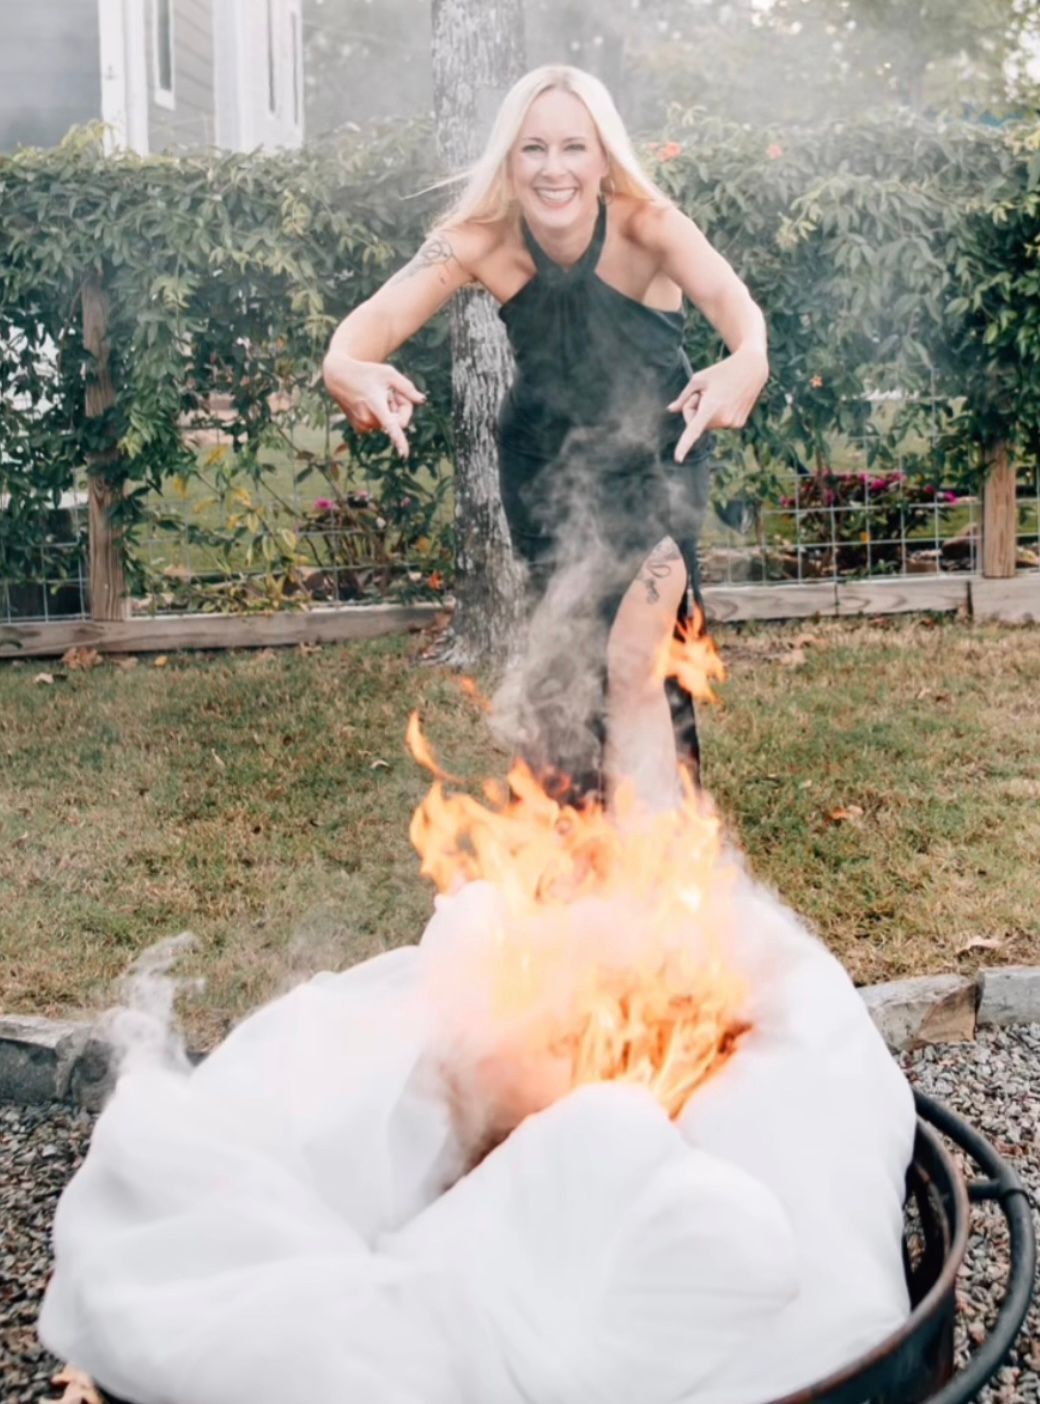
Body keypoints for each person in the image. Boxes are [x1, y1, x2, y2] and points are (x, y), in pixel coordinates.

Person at [323, 65, 768, 810]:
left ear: (603, 159)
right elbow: (380, 316)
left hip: (655, 466)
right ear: (510, 160)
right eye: (533, 148)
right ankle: (581, 838)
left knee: (637, 657)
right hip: (542, 470)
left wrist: (748, 358)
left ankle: (660, 849)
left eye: (573, 147)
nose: (552, 168)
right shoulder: (479, 241)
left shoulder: (649, 225)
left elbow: (731, 298)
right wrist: (344, 363)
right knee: (571, 661)